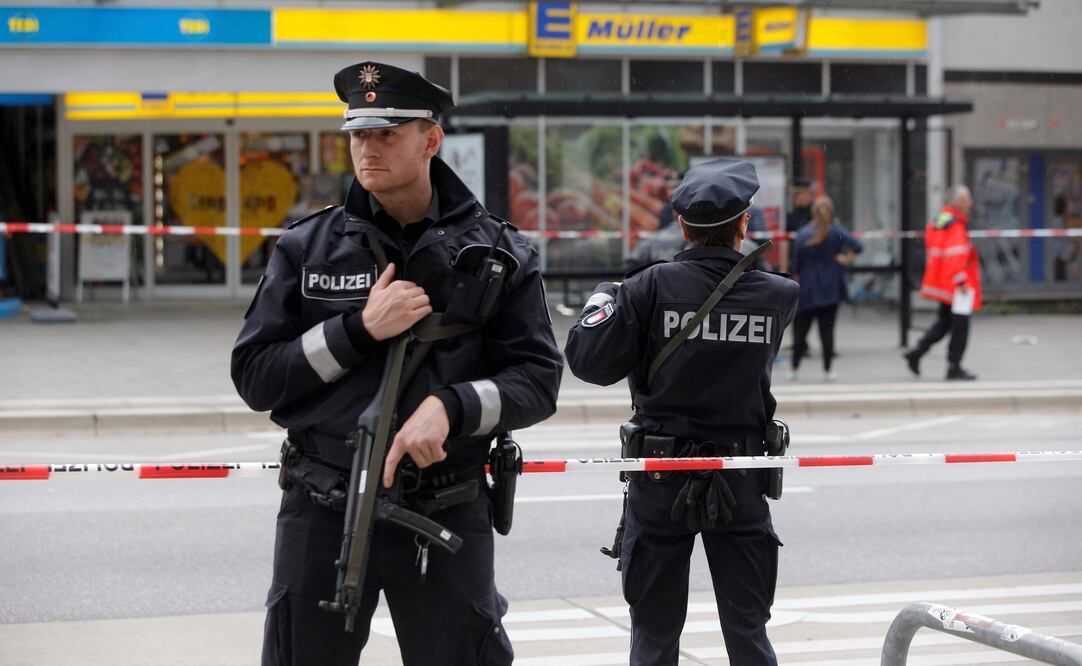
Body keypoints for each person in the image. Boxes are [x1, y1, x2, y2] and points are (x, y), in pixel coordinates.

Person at [232, 61, 563, 665]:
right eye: (359, 133)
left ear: (431, 140)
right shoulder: (306, 247)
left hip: (446, 506)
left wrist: (451, 407)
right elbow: (255, 375)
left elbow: (538, 382)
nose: (368, 148)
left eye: (387, 133)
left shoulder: (499, 254)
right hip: (322, 508)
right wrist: (357, 330)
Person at [565, 157, 800, 666]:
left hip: (660, 476)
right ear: (744, 223)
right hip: (741, 475)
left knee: (653, 635)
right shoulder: (780, 295)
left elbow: (589, 364)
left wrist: (605, 296)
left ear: (681, 225)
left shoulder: (646, 288)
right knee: (748, 632)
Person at [903, 184, 981, 380]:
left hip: (942, 283)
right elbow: (955, 255)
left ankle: (917, 352)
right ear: (959, 202)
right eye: (967, 199)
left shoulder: (939, 221)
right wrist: (961, 280)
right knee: (960, 327)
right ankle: (954, 367)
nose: (970, 203)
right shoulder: (954, 225)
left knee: (944, 323)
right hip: (956, 285)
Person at [787, 195, 863, 381]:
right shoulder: (836, 231)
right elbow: (858, 245)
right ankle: (827, 370)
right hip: (831, 288)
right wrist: (846, 258)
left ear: (813, 212)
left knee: (801, 331)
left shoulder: (803, 234)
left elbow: (795, 265)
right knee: (827, 332)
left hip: (808, 288)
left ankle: (794, 369)